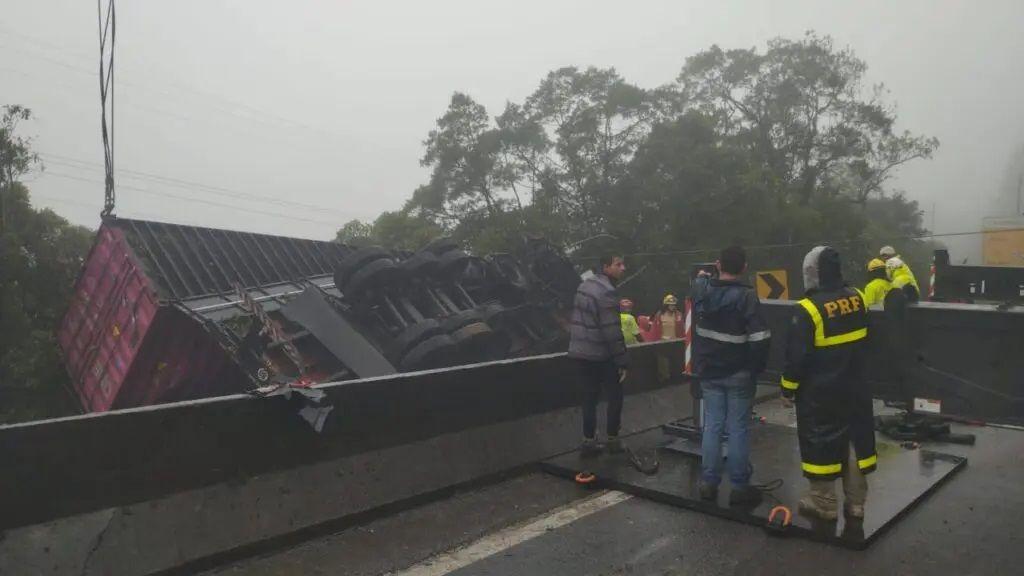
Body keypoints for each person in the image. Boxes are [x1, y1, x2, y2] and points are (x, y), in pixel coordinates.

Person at [781, 246, 876, 521]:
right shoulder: (857, 298)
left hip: (820, 394)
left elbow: (796, 358)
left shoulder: (808, 309)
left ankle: (824, 502)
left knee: (821, 441)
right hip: (855, 387)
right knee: (854, 441)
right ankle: (856, 503)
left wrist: (788, 388)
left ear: (814, 273)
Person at [691, 246, 771, 506]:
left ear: (718, 264)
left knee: (712, 425)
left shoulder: (703, 290)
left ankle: (709, 483)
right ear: (744, 268)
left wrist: (705, 276)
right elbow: (760, 338)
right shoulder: (747, 297)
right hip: (738, 373)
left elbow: (698, 285)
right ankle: (739, 486)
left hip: (709, 372)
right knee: (737, 428)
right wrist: (754, 369)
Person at [568, 254, 629, 455]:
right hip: (601, 355)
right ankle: (612, 439)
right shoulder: (607, 292)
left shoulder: (583, 286)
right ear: (605, 267)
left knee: (589, 398)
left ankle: (588, 441)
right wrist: (622, 360)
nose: (623, 268)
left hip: (579, 353)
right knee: (615, 396)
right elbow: (611, 330)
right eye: (618, 264)